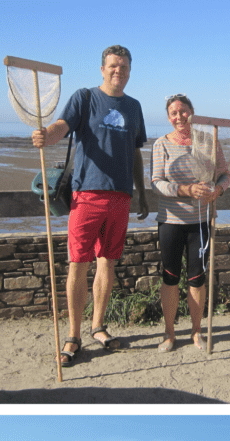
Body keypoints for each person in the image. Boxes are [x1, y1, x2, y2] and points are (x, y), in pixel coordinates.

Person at [31, 45, 148, 364]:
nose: (118, 71)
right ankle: (73, 335)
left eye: (123, 67)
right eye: (112, 66)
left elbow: (136, 152)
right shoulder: (84, 97)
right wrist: (46, 135)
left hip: (121, 196)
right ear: (102, 69)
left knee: (107, 262)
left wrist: (142, 191)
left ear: (129, 71)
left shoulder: (135, 107)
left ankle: (98, 326)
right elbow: (61, 126)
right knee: (78, 263)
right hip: (87, 195)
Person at [150, 94, 230, 351]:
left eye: (183, 111)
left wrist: (217, 191)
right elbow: (157, 182)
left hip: (201, 222)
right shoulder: (161, 144)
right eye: (173, 113)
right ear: (168, 117)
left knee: (197, 278)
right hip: (171, 221)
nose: (179, 117)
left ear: (192, 112)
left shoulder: (209, 141)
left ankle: (197, 332)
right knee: (170, 277)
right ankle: (169, 333)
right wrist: (186, 190)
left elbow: (225, 174)